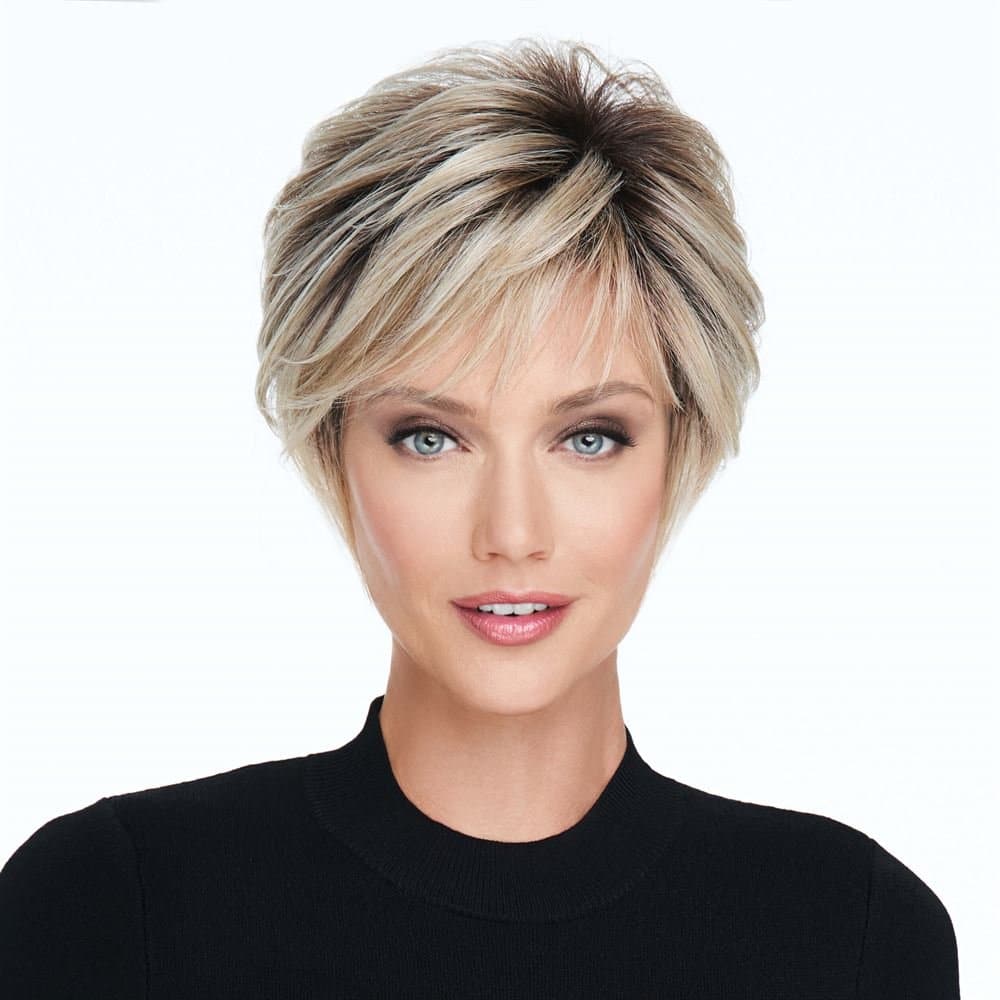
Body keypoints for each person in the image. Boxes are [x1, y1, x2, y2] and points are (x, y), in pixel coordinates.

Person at [0, 37, 960, 997]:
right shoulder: (110, 908)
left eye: (588, 437)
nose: (511, 533)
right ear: (333, 450)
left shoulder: (850, 935)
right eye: (430, 438)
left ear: (681, 449)